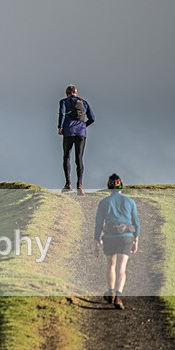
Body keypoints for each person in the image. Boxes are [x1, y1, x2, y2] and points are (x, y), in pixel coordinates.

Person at [93, 174, 140, 310]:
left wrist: (96, 240)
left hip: (109, 237)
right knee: (121, 267)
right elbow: (136, 223)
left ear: (109, 187)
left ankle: (110, 293)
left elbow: (98, 223)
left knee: (111, 264)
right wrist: (136, 239)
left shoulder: (103, 202)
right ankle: (118, 296)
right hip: (126, 237)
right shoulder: (130, 202)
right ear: (121, 186)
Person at [58, 84, 95, 195]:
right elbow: (92, 118)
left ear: (67, 94)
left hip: (68, 132)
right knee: (79, 158)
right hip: (81, 133)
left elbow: (62, 114)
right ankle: (79, 185)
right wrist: (83, 125)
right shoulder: (84, 102)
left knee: (66, 156)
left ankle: (68, 184)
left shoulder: (63, 102)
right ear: (76, 93)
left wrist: (60, 127)